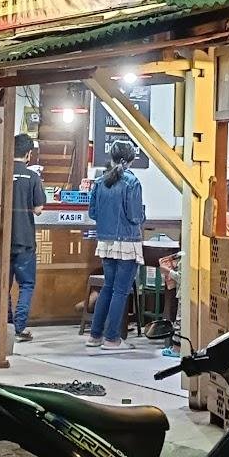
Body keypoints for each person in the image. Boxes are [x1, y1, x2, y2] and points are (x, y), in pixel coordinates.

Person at [86, 140, 145, 351]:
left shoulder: (100, 182)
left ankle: (95, 336)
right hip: (127, 242)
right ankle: (112, 339)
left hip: (105, 241)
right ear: (130, 160)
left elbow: (92, 213)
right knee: (120, 291)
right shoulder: (132, 182)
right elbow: (135, 215)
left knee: (107, 288)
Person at [9, 133, 47, 342]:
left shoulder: (2, 173)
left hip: (3, 239)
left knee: (2, 285)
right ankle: (19, 327)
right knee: (26, 285)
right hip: (24, 239)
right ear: (28, 154)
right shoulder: (32, 176)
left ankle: (5, 325)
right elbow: (39, 208)